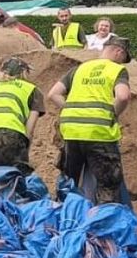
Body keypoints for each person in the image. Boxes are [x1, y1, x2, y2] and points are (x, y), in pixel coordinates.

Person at [47, 35, 132, 205]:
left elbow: (53, 94)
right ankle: (103, 223)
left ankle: (63, 218)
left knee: (69, 180)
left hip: (71, 132)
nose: (122, 63)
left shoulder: (79, 69)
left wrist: (71, 110)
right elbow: (123, 96)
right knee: (107, 184)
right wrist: (112, 114)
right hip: (99, 133)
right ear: (118, 52)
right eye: (123, 59)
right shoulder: (116, 70)